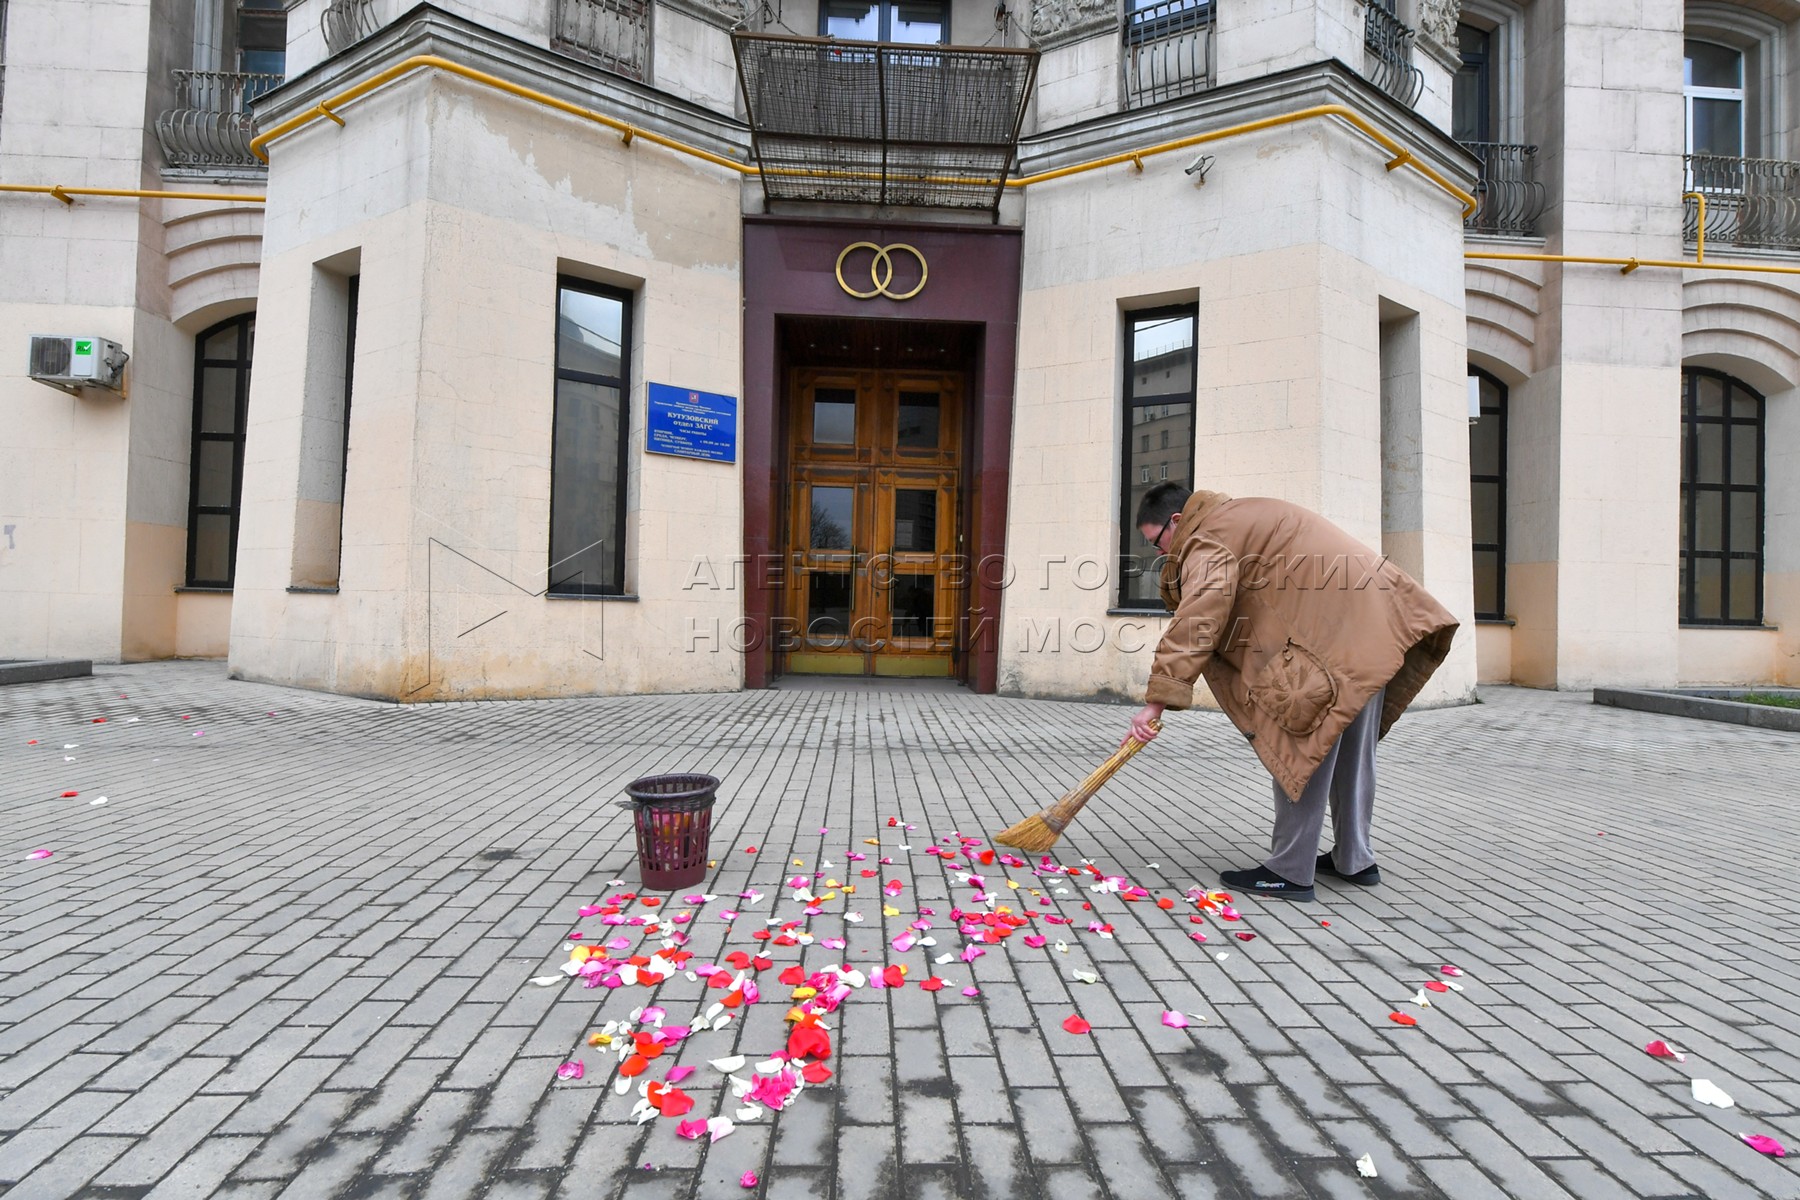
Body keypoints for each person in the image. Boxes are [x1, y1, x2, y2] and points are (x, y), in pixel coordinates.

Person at [1125, 482, 1458, 902]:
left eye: (1157, 542)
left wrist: (1156, 702)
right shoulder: (1246, 513)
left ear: (1177, 520)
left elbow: (1199, 617)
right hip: (1377, 631)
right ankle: (1355, 859)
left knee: (1300, 746)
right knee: (1352, 752)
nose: (1160, 554)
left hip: (1332, 643)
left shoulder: (1209, 534)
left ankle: (1289, 871)